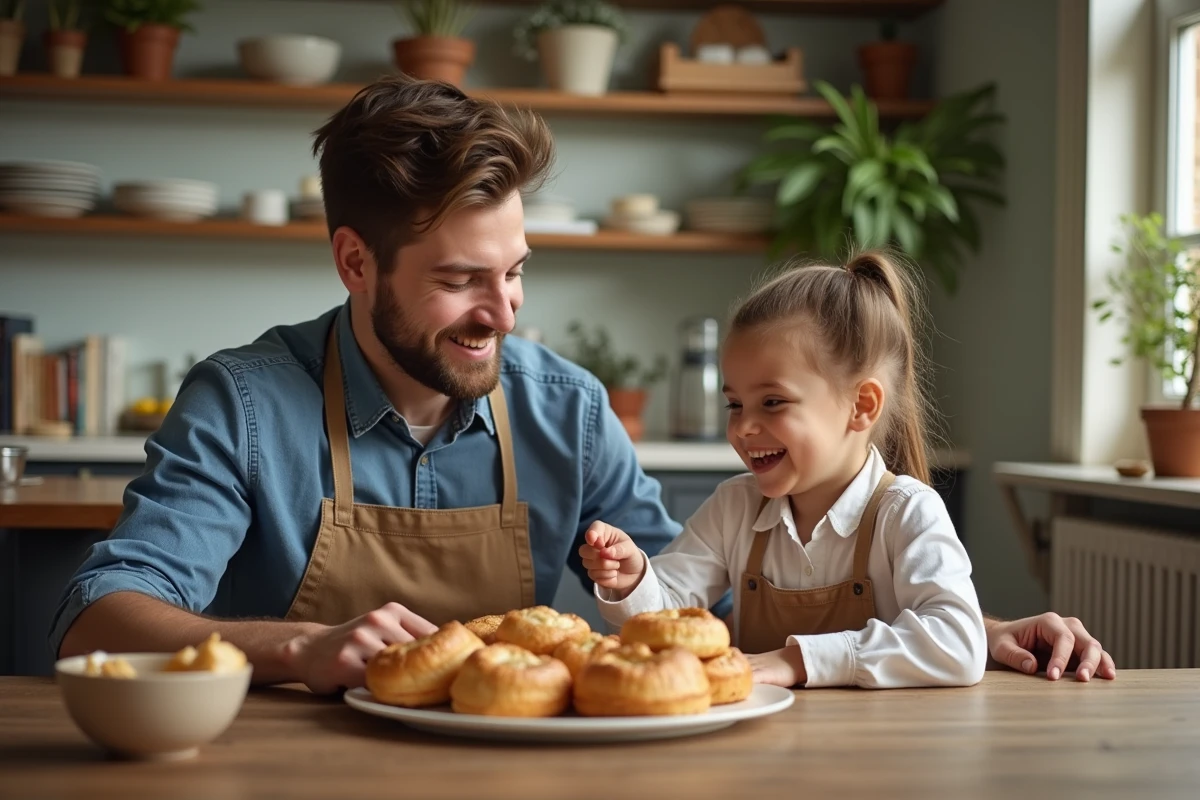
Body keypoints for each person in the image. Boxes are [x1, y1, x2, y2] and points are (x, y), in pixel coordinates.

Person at [51, 75, 1114, 693]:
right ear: (355, 262)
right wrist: (301, 648)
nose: (504, 314)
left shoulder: (564, 407)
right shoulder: (242, 404)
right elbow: (97, 619)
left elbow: (706, 605)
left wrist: (967, 630)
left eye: (515, 272)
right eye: (460, 282)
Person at [582, 252, 1114, 688]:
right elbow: (662, 623)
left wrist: (797, 661)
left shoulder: (907, 513)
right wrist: (633, 582)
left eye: (772, 402)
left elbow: (958, 643)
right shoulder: (733, 508)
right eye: (734, 404)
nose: (743, 427)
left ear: (862, 406)